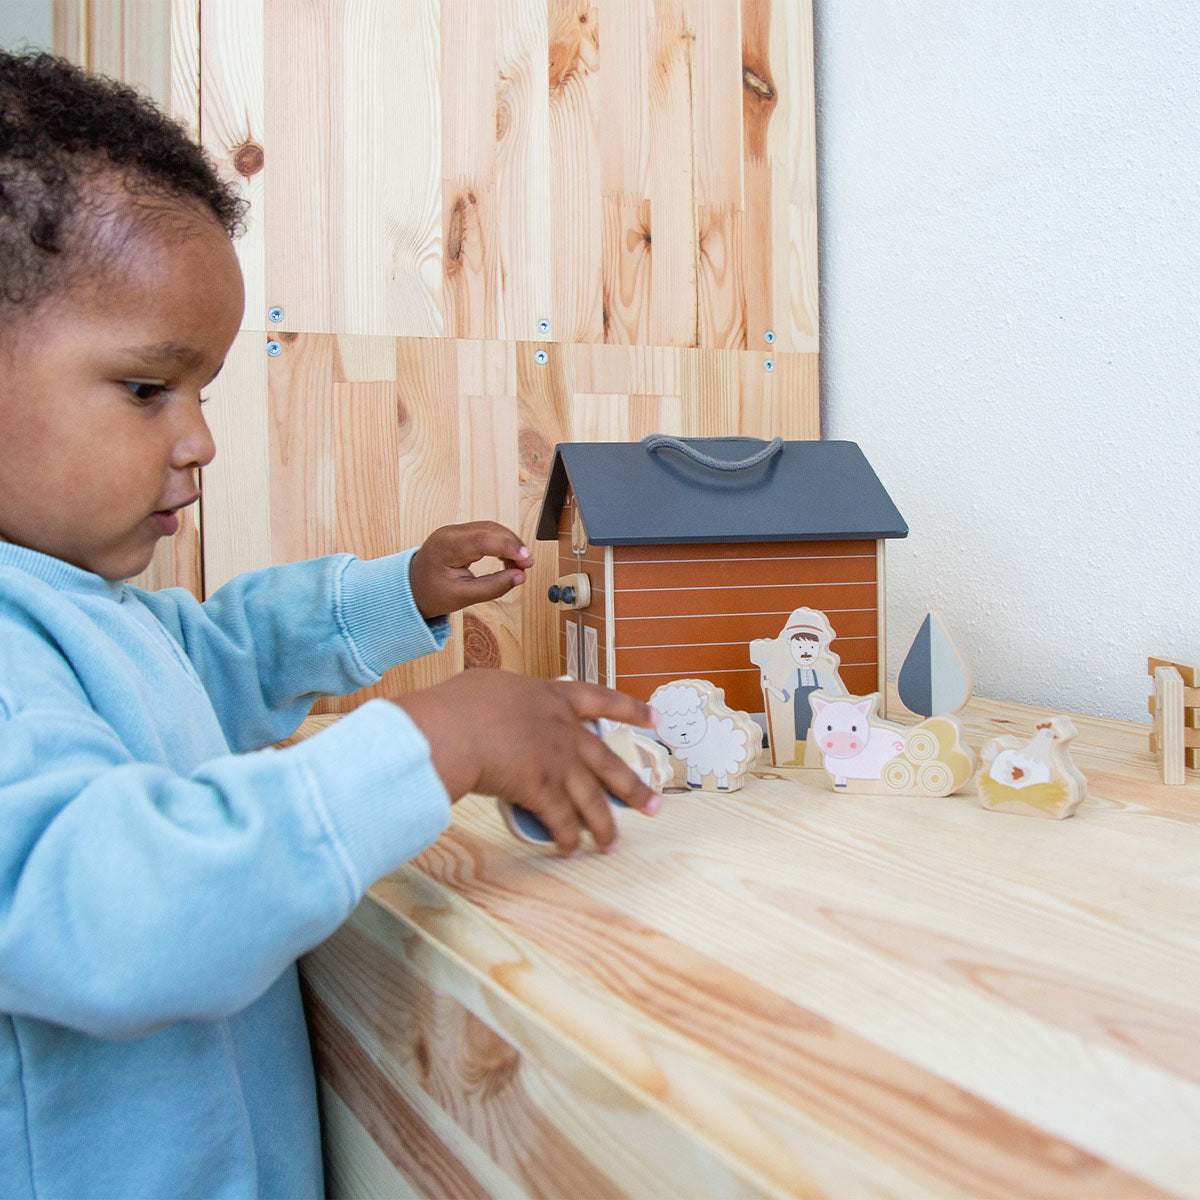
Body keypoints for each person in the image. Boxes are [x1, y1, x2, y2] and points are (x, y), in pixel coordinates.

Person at [0, 50, 660, 1199]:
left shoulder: (82, 609)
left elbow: (219, 654)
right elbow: (117, 906)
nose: (199, 439)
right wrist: (439, 741)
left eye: (203, 392)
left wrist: (395, 589)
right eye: (150, 389)